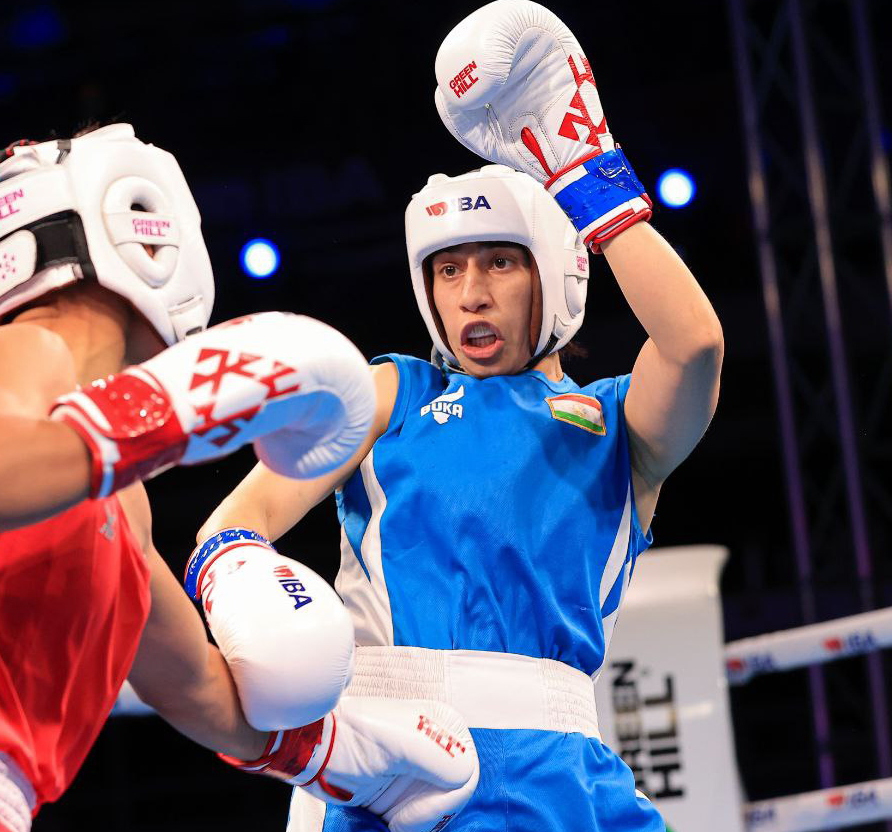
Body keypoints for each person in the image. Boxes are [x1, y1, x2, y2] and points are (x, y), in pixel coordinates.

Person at [0, 123, 478, 832]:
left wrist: (350, 755)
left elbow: (196, 687)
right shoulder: (22, 355)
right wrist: (163, 411)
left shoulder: (116, 496)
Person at [197, 3, 724, 830]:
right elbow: (236, 525)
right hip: (396, 772)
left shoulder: (617, 423)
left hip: (562, 778)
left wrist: (587, 173)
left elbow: (694, 345)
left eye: (500, 263)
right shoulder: (389, 394)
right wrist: (254, 601)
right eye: (448, 270)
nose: (471, 293)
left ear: (555, 272)